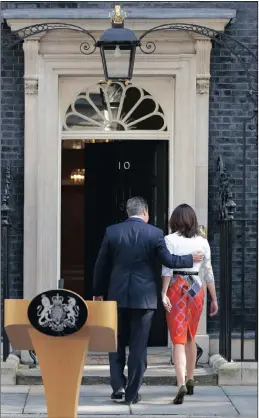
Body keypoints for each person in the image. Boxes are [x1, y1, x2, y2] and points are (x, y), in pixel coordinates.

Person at [93, 197, 204, 405]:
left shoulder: (112, 231)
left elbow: (101, 265)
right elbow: (169, 261)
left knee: (115, 342)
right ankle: (132, 393)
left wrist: (98, 292)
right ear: (145, 212)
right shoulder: (154, 233)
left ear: (128, 212)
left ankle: (118, 386)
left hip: (116, 295)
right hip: (144, 299)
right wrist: (191, 259)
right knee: (138, 346)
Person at [161, 204, 218, 405]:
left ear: (174, 220)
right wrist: (214, 298)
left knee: (177, 338)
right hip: (196, 288)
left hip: (176, 287)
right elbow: (208, 272)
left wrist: (163, 292)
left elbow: (167, 269)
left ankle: (180, 384)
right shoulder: (202, 242)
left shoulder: (169, 240)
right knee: (190, 336)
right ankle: (191, 378)